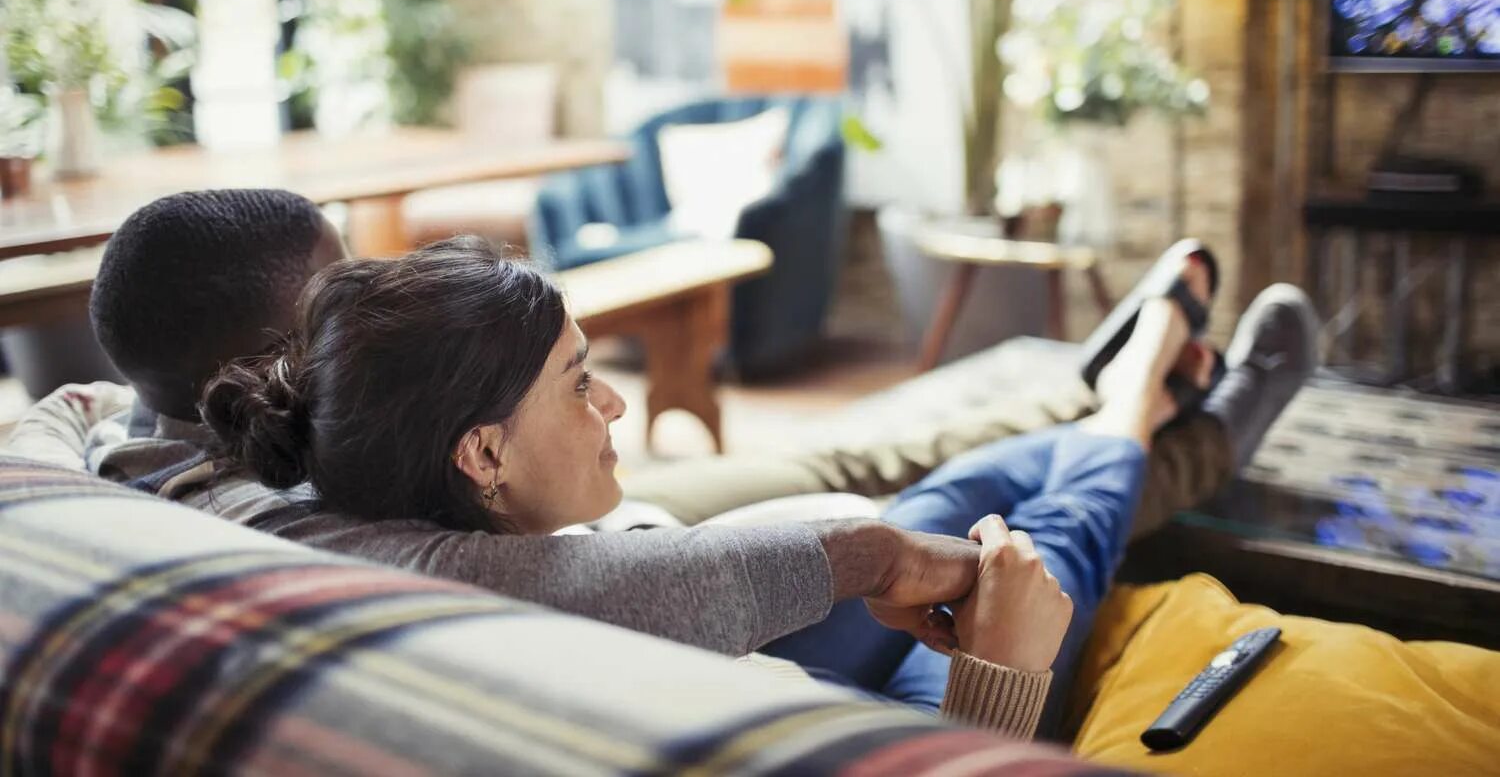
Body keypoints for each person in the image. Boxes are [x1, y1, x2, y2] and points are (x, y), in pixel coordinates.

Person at [197, 234, 1315, 736]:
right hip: (830, 710)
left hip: (759, 643)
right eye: (581, 384)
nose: (616, 407)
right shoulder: (539, 620)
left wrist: (869, 550)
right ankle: (1140, 402)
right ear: (481, 456)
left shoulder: (339, 507)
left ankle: (1136, 399)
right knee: (1047, 539)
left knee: (954, 488)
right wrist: (1003, 673)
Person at [7, 190, 984, 663]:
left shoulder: (126, 418)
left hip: (542, 489)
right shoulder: (280, 522)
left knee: (839, 454)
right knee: (881, 477)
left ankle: (1055, 402)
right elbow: (581, 584)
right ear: (270, 360)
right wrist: (873, 552)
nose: (369, 295)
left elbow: (75, 406)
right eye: (337, 292)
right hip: (549, 506)